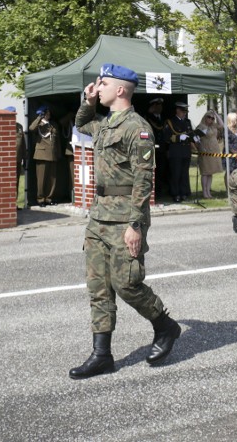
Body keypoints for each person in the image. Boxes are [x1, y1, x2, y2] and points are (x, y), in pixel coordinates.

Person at [70, 63, 180, 379]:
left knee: (127, 283)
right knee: (98, 287)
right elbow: (81, 124)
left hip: (124, 219)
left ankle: (165, 326)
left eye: (102, 83)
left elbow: (144, 179)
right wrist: (88, 100)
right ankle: (101, 355)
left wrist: (135, 225)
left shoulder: (137, 128)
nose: (97, 86)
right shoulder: (104, 124)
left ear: (120, 90)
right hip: (99, 216)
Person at [163, 101, 195, 202]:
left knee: (184, 174)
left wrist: (195, 137)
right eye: (182, 111)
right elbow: (166, 137)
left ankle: (184, 193)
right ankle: (175, 194)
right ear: (177, 110)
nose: (184, 113)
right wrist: (178, 137)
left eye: (185, 111)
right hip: (175, 151)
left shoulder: (187, 122)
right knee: (176, 173)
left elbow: (190, 135)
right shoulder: (170, 122)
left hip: (186, 151)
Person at [30, 105, 60, 206]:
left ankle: (49, 198)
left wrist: (57, 154)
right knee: (41, 179)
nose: (49, 114)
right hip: (41, 154)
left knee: (52, 179)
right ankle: (41, 199)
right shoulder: (39, 124)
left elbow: (56, 141)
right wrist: (39, 117)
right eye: (46, 113)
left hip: (52, 154)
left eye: (48, 113)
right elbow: (31, 128)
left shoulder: (53, 125)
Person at [195, 110, 223, 199]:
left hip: (214, 151)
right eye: (209, 117)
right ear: (205, 117)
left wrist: (216, 114)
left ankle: (208, 192)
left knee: (211, 172)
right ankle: (204, 192)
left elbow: (222, 125)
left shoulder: (213, 126)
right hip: (205, 151)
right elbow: (196, 139)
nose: (211, 119)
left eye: (212, 118)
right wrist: (199, 148)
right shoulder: (200, 126)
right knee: (205, 172)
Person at [144, 98, 170, 198]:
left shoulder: (162, 119)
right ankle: (153, 193)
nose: (160, 108)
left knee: (161, 171)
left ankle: (159, 192)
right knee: (152, 171)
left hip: (162, 149)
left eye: (160, 106)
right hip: (151, 149)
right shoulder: (147, 118)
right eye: (157, 106)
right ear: (153, 107)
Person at [5, 106, 26, 209]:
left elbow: (23, 144)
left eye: (15, 114)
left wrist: (24, 158)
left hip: (17, 159)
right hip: (6, 161)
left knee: (16, 182)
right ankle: (7, 204)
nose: (14, 116)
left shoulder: (19, 127)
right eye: (12, 114)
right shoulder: (3, 126)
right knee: (7, 183)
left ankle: (15, 204)